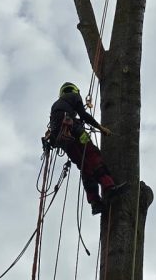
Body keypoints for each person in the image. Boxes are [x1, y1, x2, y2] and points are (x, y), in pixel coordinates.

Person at [44, 81, 127, 214]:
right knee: (93, 157)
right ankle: (108, 187)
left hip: (64, 142)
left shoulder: (55, 107)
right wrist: (101, 128)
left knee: (85, 167)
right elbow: (84, 115)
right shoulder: (74, 96)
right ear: (74, 90)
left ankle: (95, 203)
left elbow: (54, 135)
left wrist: (50, 144)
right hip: (76, 133)